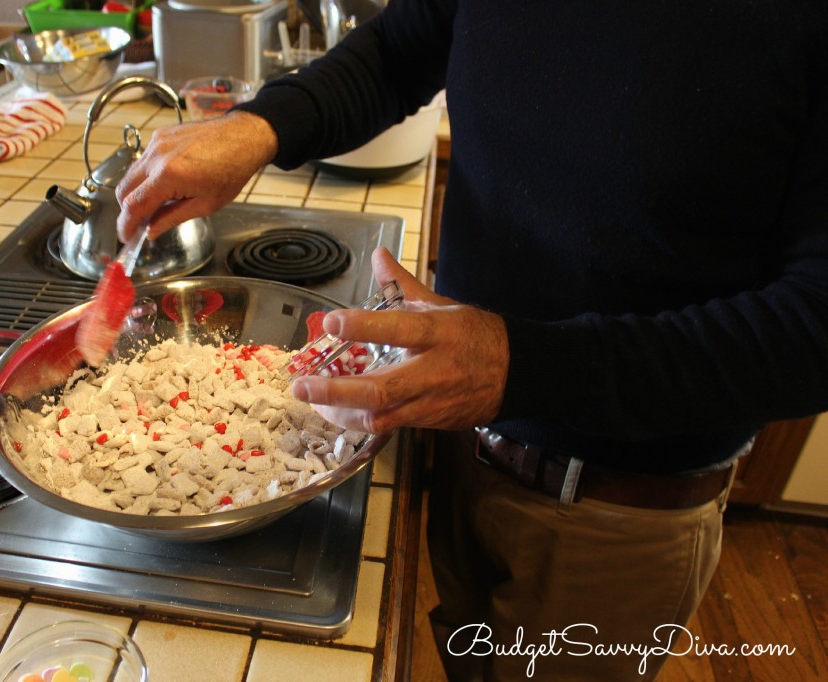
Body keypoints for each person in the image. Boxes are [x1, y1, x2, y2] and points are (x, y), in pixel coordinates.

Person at [115, 1, 828, 679]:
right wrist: (262, 126)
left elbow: (813, 328)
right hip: (457, 436)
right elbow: (403, 48)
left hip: (613, 513)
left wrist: (520, 363)